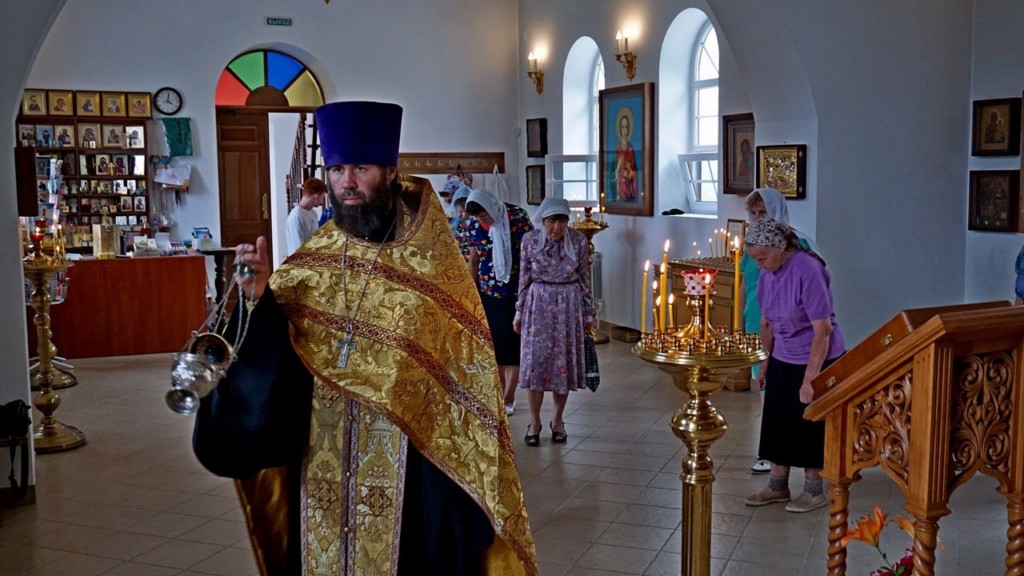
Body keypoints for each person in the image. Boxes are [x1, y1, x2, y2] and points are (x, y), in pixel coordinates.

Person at [191, 101, 536, 575]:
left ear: (390, 172)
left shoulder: (434, 269)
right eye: (337, 170)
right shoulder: (310, 266)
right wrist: (260, 300)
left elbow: (461, 382)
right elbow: (278, 359)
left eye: (361, 168)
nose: (347, 182)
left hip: (409, 473)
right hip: (322, 460)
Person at [742, 217, 845, 513]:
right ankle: (778, 486)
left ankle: (813, 492)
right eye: (755, 260)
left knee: (809, 422)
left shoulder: (807, 269)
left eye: (763, 258)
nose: (760, 265)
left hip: (817, 355)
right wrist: (764, 365)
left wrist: (810, 378)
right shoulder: (767, 274)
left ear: (780, 248)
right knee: (777, 420)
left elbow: (822, 329)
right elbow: (766, 323)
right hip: (783, 354)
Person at [741, 187, 816, 475]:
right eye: (754, 213)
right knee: (761, 380)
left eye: (763, 212)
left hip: (788, 326)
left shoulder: (798, 244)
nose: (758, 218)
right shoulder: (752, 244)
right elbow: (745, 281)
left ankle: (781, 454)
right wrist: (740, 315)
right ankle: (771, 453)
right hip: (757, 315)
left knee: (780, 387)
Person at [513, 197, 594, 446]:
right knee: (534, 362)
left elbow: (584, 279)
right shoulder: (529, 240)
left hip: (569, 305)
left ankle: (557, 421)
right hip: (538, 303)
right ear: (543, 221)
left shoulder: (579, 241)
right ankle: (534, 421)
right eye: (551, 222)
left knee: (563, 363)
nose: (556, 227)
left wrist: (589, 314)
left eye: (561, 221)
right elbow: (524, 277)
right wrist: (519, 311)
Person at [465, 188, 533, 416]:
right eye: (478, 217)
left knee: (511, 347)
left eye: (484, 215)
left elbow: (530, 254)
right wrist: (471, 292)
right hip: (488, 293)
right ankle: (498, 394)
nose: (482, 220)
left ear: (492, 206)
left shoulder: (517, 217)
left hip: (515, 293)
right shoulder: (474, 226)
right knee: (494, 347)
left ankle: (509, 397)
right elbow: (474, 260)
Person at [283, 177, 326, 255]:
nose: (322, 201)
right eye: (322, 197)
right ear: (316, 196)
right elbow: (298, 248)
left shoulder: (313, 213)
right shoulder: (296, 217)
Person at [613, 107, 638, 201]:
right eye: (622, 127)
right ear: (620, 129)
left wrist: (628, 173)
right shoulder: (617, 148)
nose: (624, 130)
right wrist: (617, 173)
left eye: (626, 127)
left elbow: (634, 170)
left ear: (628, 129)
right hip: (619, 184)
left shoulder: (630, 148)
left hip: (628, 185)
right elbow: (613, 170)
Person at [450, 184, 477, 262]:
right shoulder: (450, 222)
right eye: (460, 211)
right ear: (455, 208)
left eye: (466, 211)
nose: (464, 215)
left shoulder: (476, 222)